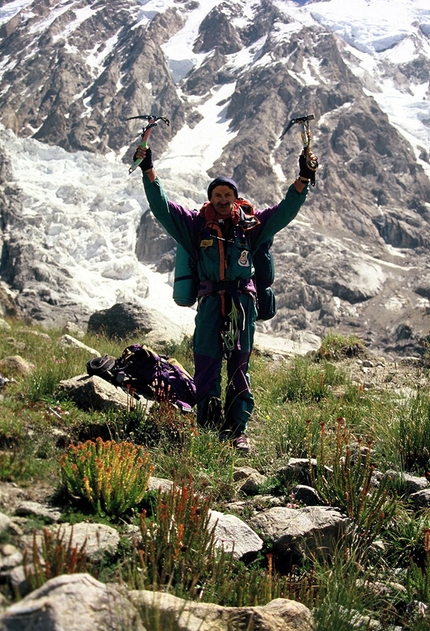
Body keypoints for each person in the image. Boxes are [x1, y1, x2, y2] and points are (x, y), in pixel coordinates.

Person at [134, 144, 318, 451]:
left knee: (238, 365)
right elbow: (162, 207)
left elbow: (284, 210)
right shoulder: (195, 225)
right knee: (206, 363)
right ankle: (207, 427)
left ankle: (236, 431)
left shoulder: (252, 225)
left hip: (242, 305)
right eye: (217, 195)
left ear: (235, 199)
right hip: (209, 303)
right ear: (210, 198)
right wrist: (148, 170)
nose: (222, 200)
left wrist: (303, 179)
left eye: (227, 196)